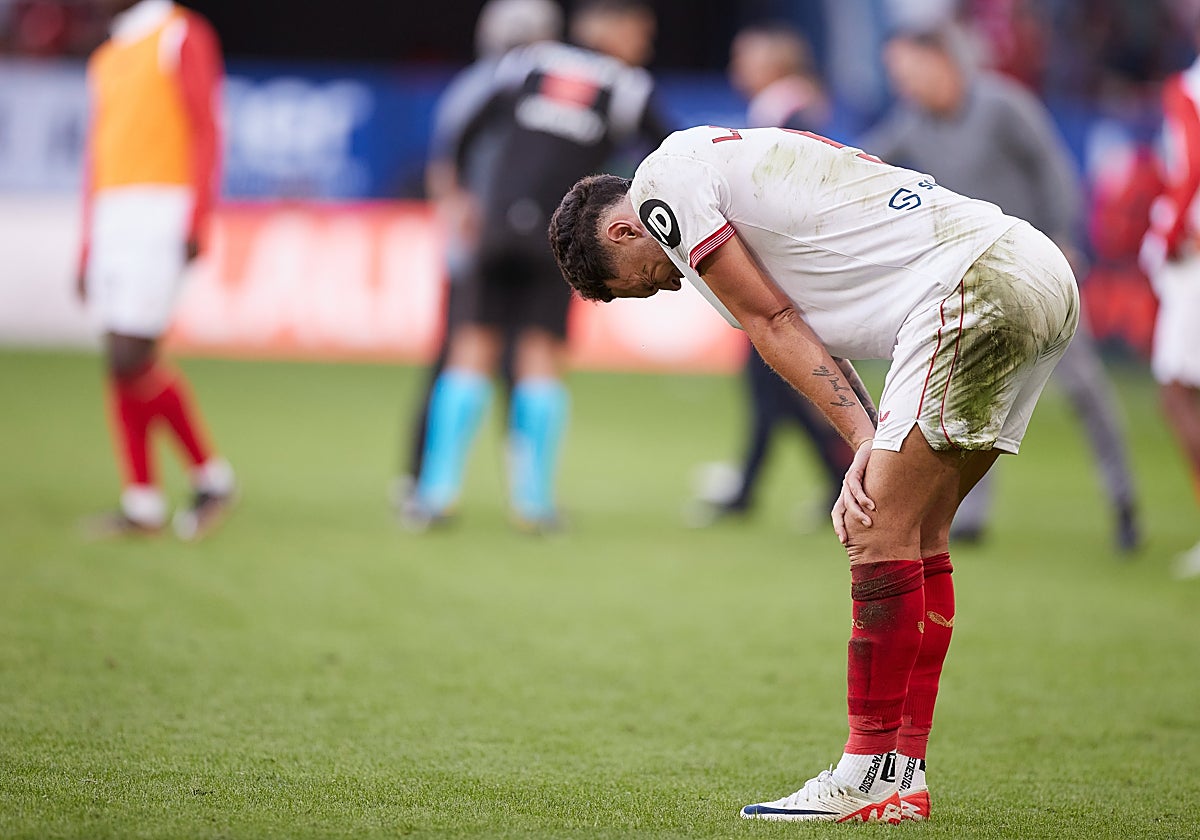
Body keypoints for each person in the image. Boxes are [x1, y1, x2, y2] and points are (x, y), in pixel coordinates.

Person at [549, 125, 1078, 821]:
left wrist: (867, 440)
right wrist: (870, 439)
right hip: (1032, 269)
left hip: (971, 283)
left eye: (644, 282)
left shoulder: (660, 189)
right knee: (918, 534)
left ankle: (863, 777)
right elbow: (802, 329)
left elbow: (771, 321)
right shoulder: (712, 164)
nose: (667, 284)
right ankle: (902, 776)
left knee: (874, 528)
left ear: (623, 232)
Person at [862, 23, 1141, 552]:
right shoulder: (912, 123)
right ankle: (971, 516)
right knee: (974, 396)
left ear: (942, 60)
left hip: (1040, 278)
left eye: (908, 71)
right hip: (977, 286)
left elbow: (1053, 169)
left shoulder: (1002, 106)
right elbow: (868, 164)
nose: (904, 85)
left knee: (1084, 391)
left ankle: (1123, 499)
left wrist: (1063, 238)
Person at [403, 0, 671, 533]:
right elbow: (674, 154)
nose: (644, 43)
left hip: (496, 225)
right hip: (563, 237)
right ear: (608, 26)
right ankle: (534, 504)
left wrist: (459, 197)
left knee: (469, 351)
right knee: (542, 359)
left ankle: (434, 495)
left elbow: (464, 129)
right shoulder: (627, 87)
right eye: (640, 31)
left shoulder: (530, 63)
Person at [394, 0, 563, 510]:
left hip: (480, 246)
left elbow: (444, 165)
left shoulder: (473, 86)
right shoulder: (546, 89)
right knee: (523, 366)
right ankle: (527, 493)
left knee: (457, 359)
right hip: (524, 245)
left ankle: (426, 485)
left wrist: (456, 218)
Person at [77, 0, 234, 540]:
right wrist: (86, 242)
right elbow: (98, 153)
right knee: (121, 361)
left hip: (159, 212)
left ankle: (209, 477)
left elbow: (206, 128)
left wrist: (198, 214)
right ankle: (144, 500)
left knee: (130, 353)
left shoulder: (179, 33)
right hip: (113, 216)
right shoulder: (109, 52)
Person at [686, 23, 853, 526]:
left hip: (787, 277)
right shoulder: (788, 107)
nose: (737, 68)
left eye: (746, 57)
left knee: (776, 384)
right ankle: (771, 487)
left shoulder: (789, 110)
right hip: (790, 274)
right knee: (775, 388)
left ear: (773, 63)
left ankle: (833, 481)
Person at [1140, 29, 1200, 579]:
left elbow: (1189, 171)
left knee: (1178, 392)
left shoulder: (1189, 88)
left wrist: (1164, 237)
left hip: (1194, 258)